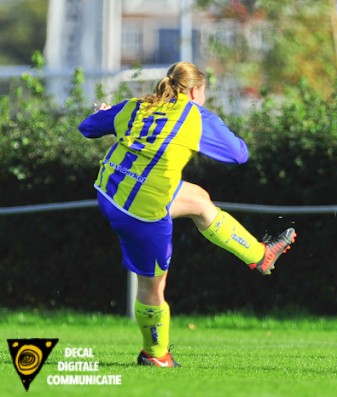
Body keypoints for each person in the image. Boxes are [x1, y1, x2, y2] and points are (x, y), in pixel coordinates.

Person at [78, 62, 297, 367]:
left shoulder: (135, 106)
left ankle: (260, 255)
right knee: (152, 289)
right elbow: (239, 154)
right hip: (141, 213)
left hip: (110, 190)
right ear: (195, 91)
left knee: (199, 201)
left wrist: (106, 113)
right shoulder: (196, 117)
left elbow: (88, 127)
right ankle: (155, 355)